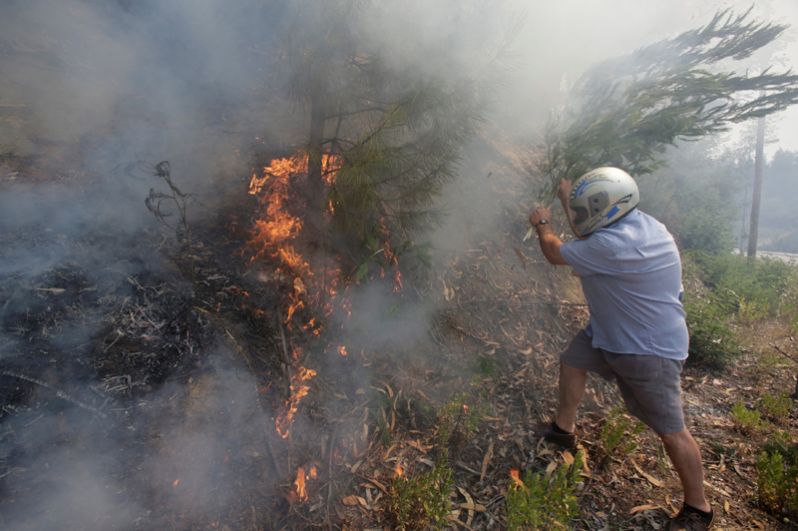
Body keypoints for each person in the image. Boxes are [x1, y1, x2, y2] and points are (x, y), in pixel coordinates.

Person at [528, 167, 713, 531]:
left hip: (647, 347)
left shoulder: (615, 244)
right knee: (572, 363)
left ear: (608, 206)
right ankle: (563, 430)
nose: (581, 216)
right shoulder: (641, 225)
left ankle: (699, 508)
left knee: (672, 430)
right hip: (610, 331)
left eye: (587, 208)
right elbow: (589, 234)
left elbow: (555, 252)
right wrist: (568, 201)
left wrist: (543, 222)